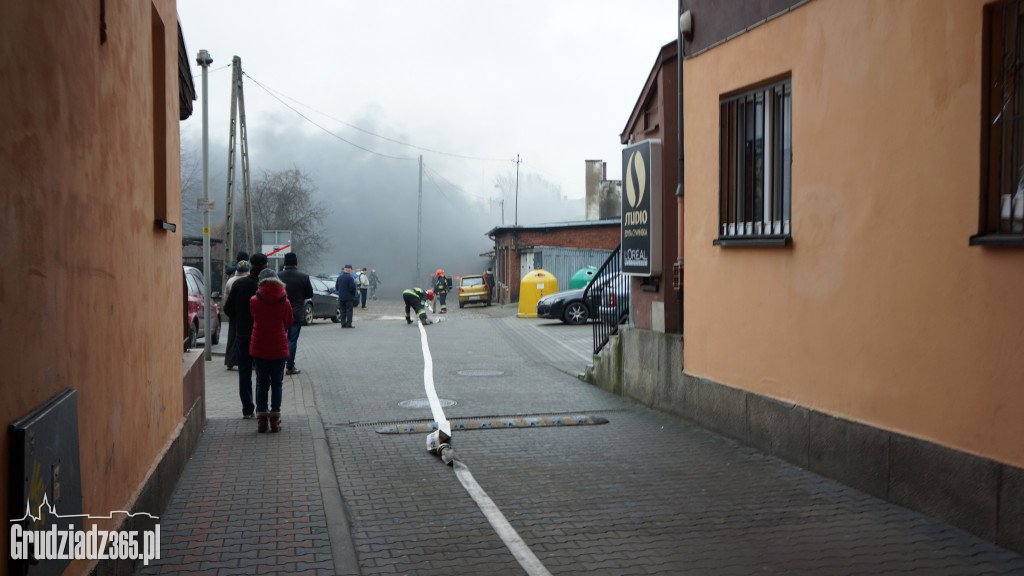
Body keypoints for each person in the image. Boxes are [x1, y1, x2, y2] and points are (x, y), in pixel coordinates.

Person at [223, 252, 268, 419]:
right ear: (265, 266)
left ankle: (247, 409)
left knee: (244, 371)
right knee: (262, 373)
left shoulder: (239, 284)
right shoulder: (267, 285)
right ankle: (262, 408)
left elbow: (227, 309)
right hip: (262, 334)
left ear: (250, 264)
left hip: (242, 333)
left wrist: (240, 315)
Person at [249, 268, 293, 433]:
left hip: (260, 346)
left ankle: (261, 420)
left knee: (261, 382)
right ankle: (275, 419)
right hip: (278, 347)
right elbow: (288, 322)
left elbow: (255, 318)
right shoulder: (285, 301)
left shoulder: (254, 300)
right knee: (277, 383)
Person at [278, 252, 313, 375]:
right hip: (296, 313)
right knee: (292, 340)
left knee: (280, 339)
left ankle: (279, 365)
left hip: (280, 313)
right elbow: (309, 294)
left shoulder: (278, 276)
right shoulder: (304, 277)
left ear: (285, 263)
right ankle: (290, 366)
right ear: (296, 264)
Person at [222, 255, 250, 370]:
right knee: (246, 337)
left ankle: (230, 360)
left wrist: (229, 312)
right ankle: (245, 361)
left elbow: (226, 298)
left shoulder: (230, 281)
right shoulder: (250, 281)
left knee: (232, 336)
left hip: (233, 314)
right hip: (247, 314)